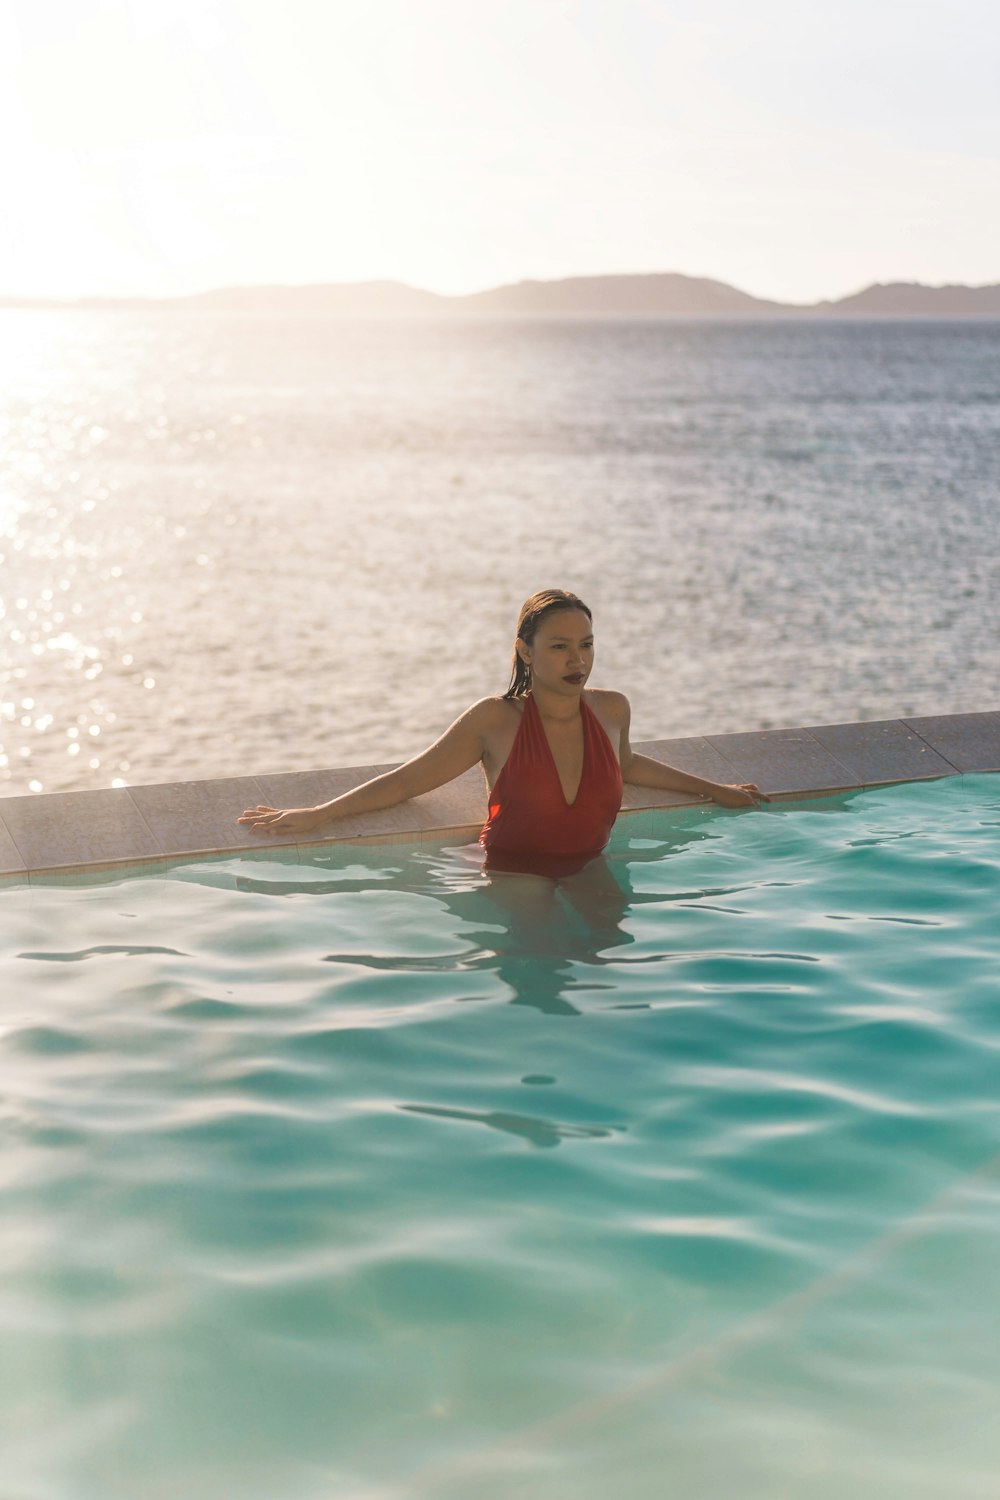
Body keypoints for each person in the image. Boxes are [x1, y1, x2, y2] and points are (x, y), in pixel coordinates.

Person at [237, 589, 765, 862]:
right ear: (525, 651)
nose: (576, 660)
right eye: (559, 647)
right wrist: (319, 814)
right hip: (514, 874)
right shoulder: (496, 720)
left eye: (585, 645)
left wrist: (715, 790)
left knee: (608, 974)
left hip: (592, 865)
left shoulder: (612, 710)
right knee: (541, 981)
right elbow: (408, 781)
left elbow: (626, 765)